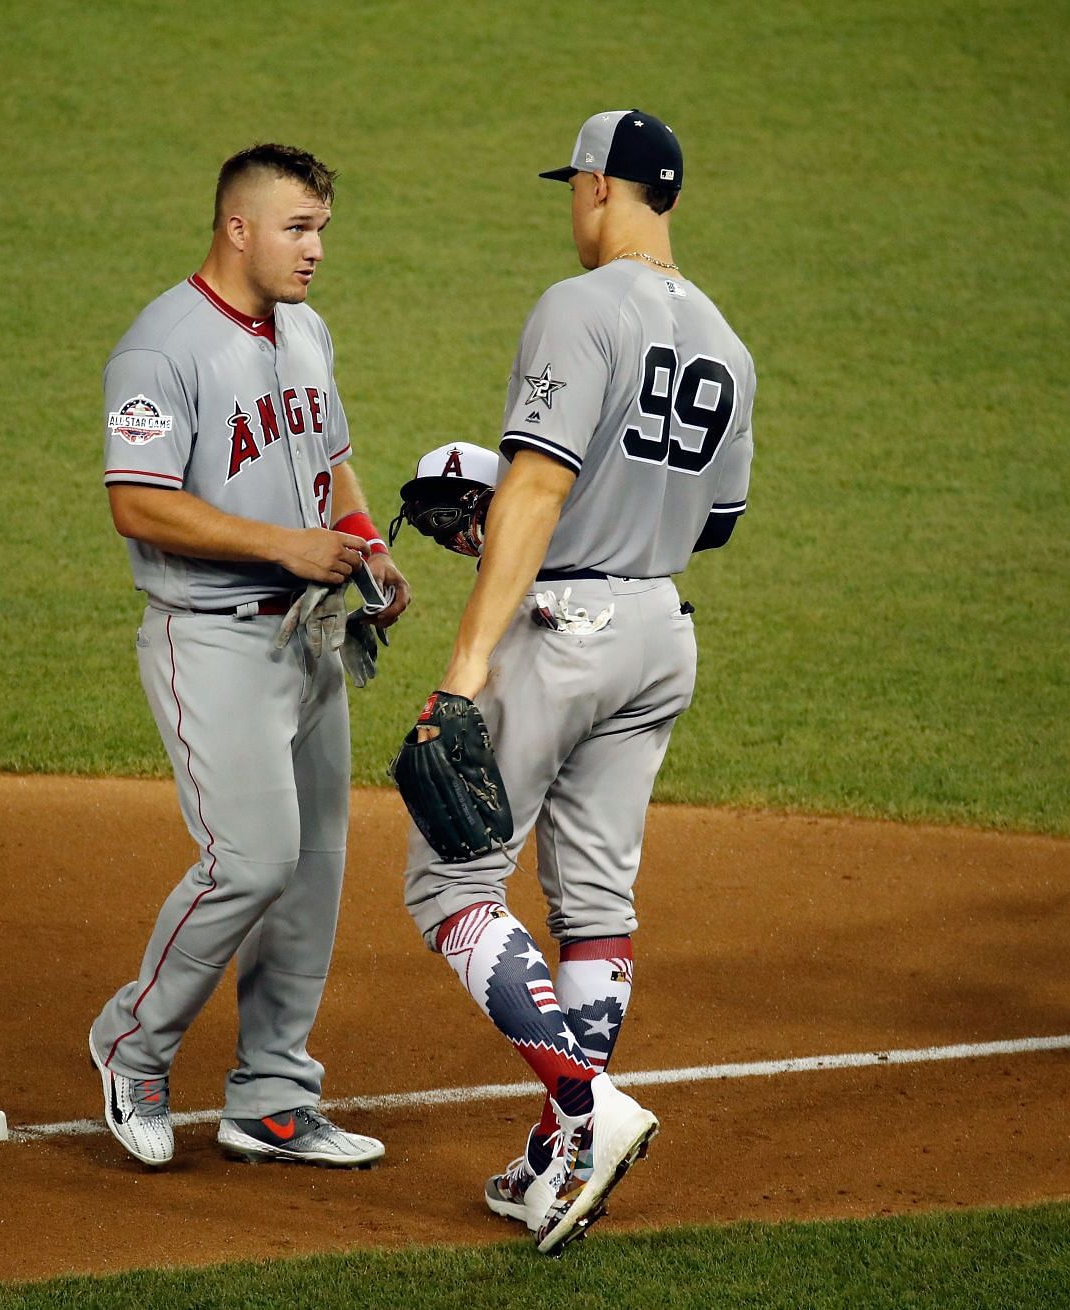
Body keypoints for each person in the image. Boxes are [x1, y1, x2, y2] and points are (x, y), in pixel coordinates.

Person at [399, 109, 755, 1253]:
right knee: (595, 903)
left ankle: (582, 1109)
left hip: (567, 627)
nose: (571, 204)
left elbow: (542, 489)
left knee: (450, 883)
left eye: (576, 185)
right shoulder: (730, 346)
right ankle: (561, 1164)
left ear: (603, 188)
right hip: (660, 632)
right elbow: (718, 525)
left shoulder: (577, 308)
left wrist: (463, 670)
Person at [92, 142, 409, 1170]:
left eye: (322, 227)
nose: (316, 249)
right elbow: (135, 500)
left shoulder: (306, 329)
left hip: (314, 635)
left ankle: (272, 1097)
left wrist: (361, 540)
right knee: (253, 860)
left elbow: (332, 453)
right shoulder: (162, 348)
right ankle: (131, 1044)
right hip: (213, 636)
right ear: (238, 228)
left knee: (312, 873)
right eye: (298, 228)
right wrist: (283, 542)